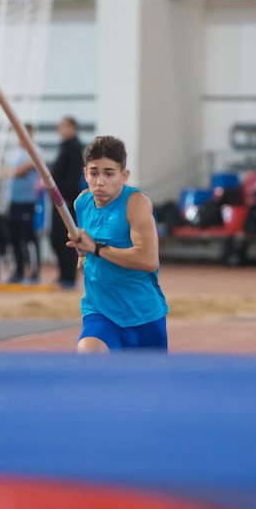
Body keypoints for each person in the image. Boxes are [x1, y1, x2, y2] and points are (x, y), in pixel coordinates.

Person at [66, 135, 168, 353]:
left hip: (142, 316)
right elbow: (86, 243)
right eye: (94, 173)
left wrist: (96, 248)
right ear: (85, 174)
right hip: (100, 312)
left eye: (108, 174)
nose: (100, 181)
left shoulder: (136, 203)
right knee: (90, 356)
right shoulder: (82, 203)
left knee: (147, 387)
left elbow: (148, 260)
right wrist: (83, 255)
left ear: (124, 176)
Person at [2, 124, 42, 283]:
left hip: (28, 201)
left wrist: (14, 172)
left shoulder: (36, 152)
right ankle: (18, 272)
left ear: (31, 135)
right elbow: (3, 173)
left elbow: (19, 171)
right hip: (12, 201)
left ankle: (34, 272)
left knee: (29, 238)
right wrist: (16, 171)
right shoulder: (10, 154)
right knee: (14, 238)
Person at [50, 116, 84, 288]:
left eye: (63, 126)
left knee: (67, 238)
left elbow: (73, 176)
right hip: (59, 201)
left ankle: (69, 277)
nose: (60, 130)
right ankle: (63, 274)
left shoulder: (74, 148)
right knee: (56, 238)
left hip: (66, 202)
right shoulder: (65, 147)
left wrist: (68, 199)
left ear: (73, 128)